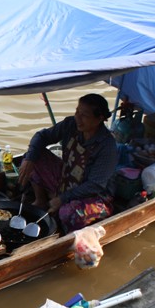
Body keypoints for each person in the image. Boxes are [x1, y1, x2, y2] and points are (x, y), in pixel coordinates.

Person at [18, 93, 117, 233]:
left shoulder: (107, 146)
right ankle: (40, 201)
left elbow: (95, 185)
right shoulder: (70, 124)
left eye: (84, 115)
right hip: (66, 178)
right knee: (33, 156)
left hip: (94, 195)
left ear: (100, 118)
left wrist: (62, 199)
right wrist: (29, 160)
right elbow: (42, 136)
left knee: (67, 212)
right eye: (77, 112)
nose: (78, 118)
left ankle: (64, 234)